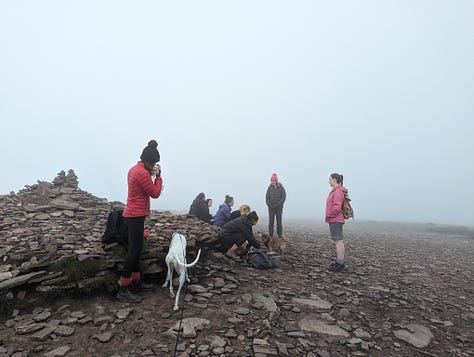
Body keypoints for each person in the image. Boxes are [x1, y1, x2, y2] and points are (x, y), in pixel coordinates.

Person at [117, 140, 163, 303]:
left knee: (136, 248)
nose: (155, 165)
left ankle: (136, 283)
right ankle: (124, 287)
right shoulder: (143, 173)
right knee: (134, 251)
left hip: (132, 214)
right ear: (149, 162)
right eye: (154, 163)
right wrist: (158, 177)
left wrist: (152, 173)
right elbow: (155, 193)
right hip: (135, 215)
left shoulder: (135, 169)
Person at [325, 173, 348, 272]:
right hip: (335, 219)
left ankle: (340, 263)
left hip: (335, 219)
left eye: (330, 179)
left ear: (334, 180)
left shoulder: (337, 191)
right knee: (338, 241)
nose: (328, 181)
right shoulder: (337, 191)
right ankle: (339, 261)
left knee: (339, 241)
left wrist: (329, 214)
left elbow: (337, 207)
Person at [266, 173, 286, 238]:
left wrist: (277, 205)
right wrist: (269, 204)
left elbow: (283, 198)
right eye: (271, 181)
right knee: (271, 221)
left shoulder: (281, 188)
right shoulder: (269, 188)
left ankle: (279, 234)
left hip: (279, 208)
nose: (272, 182)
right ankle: (270, 234)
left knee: (279, 221)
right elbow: (267, 197)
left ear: (276, 181)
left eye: (274, 181)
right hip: (271, 207)